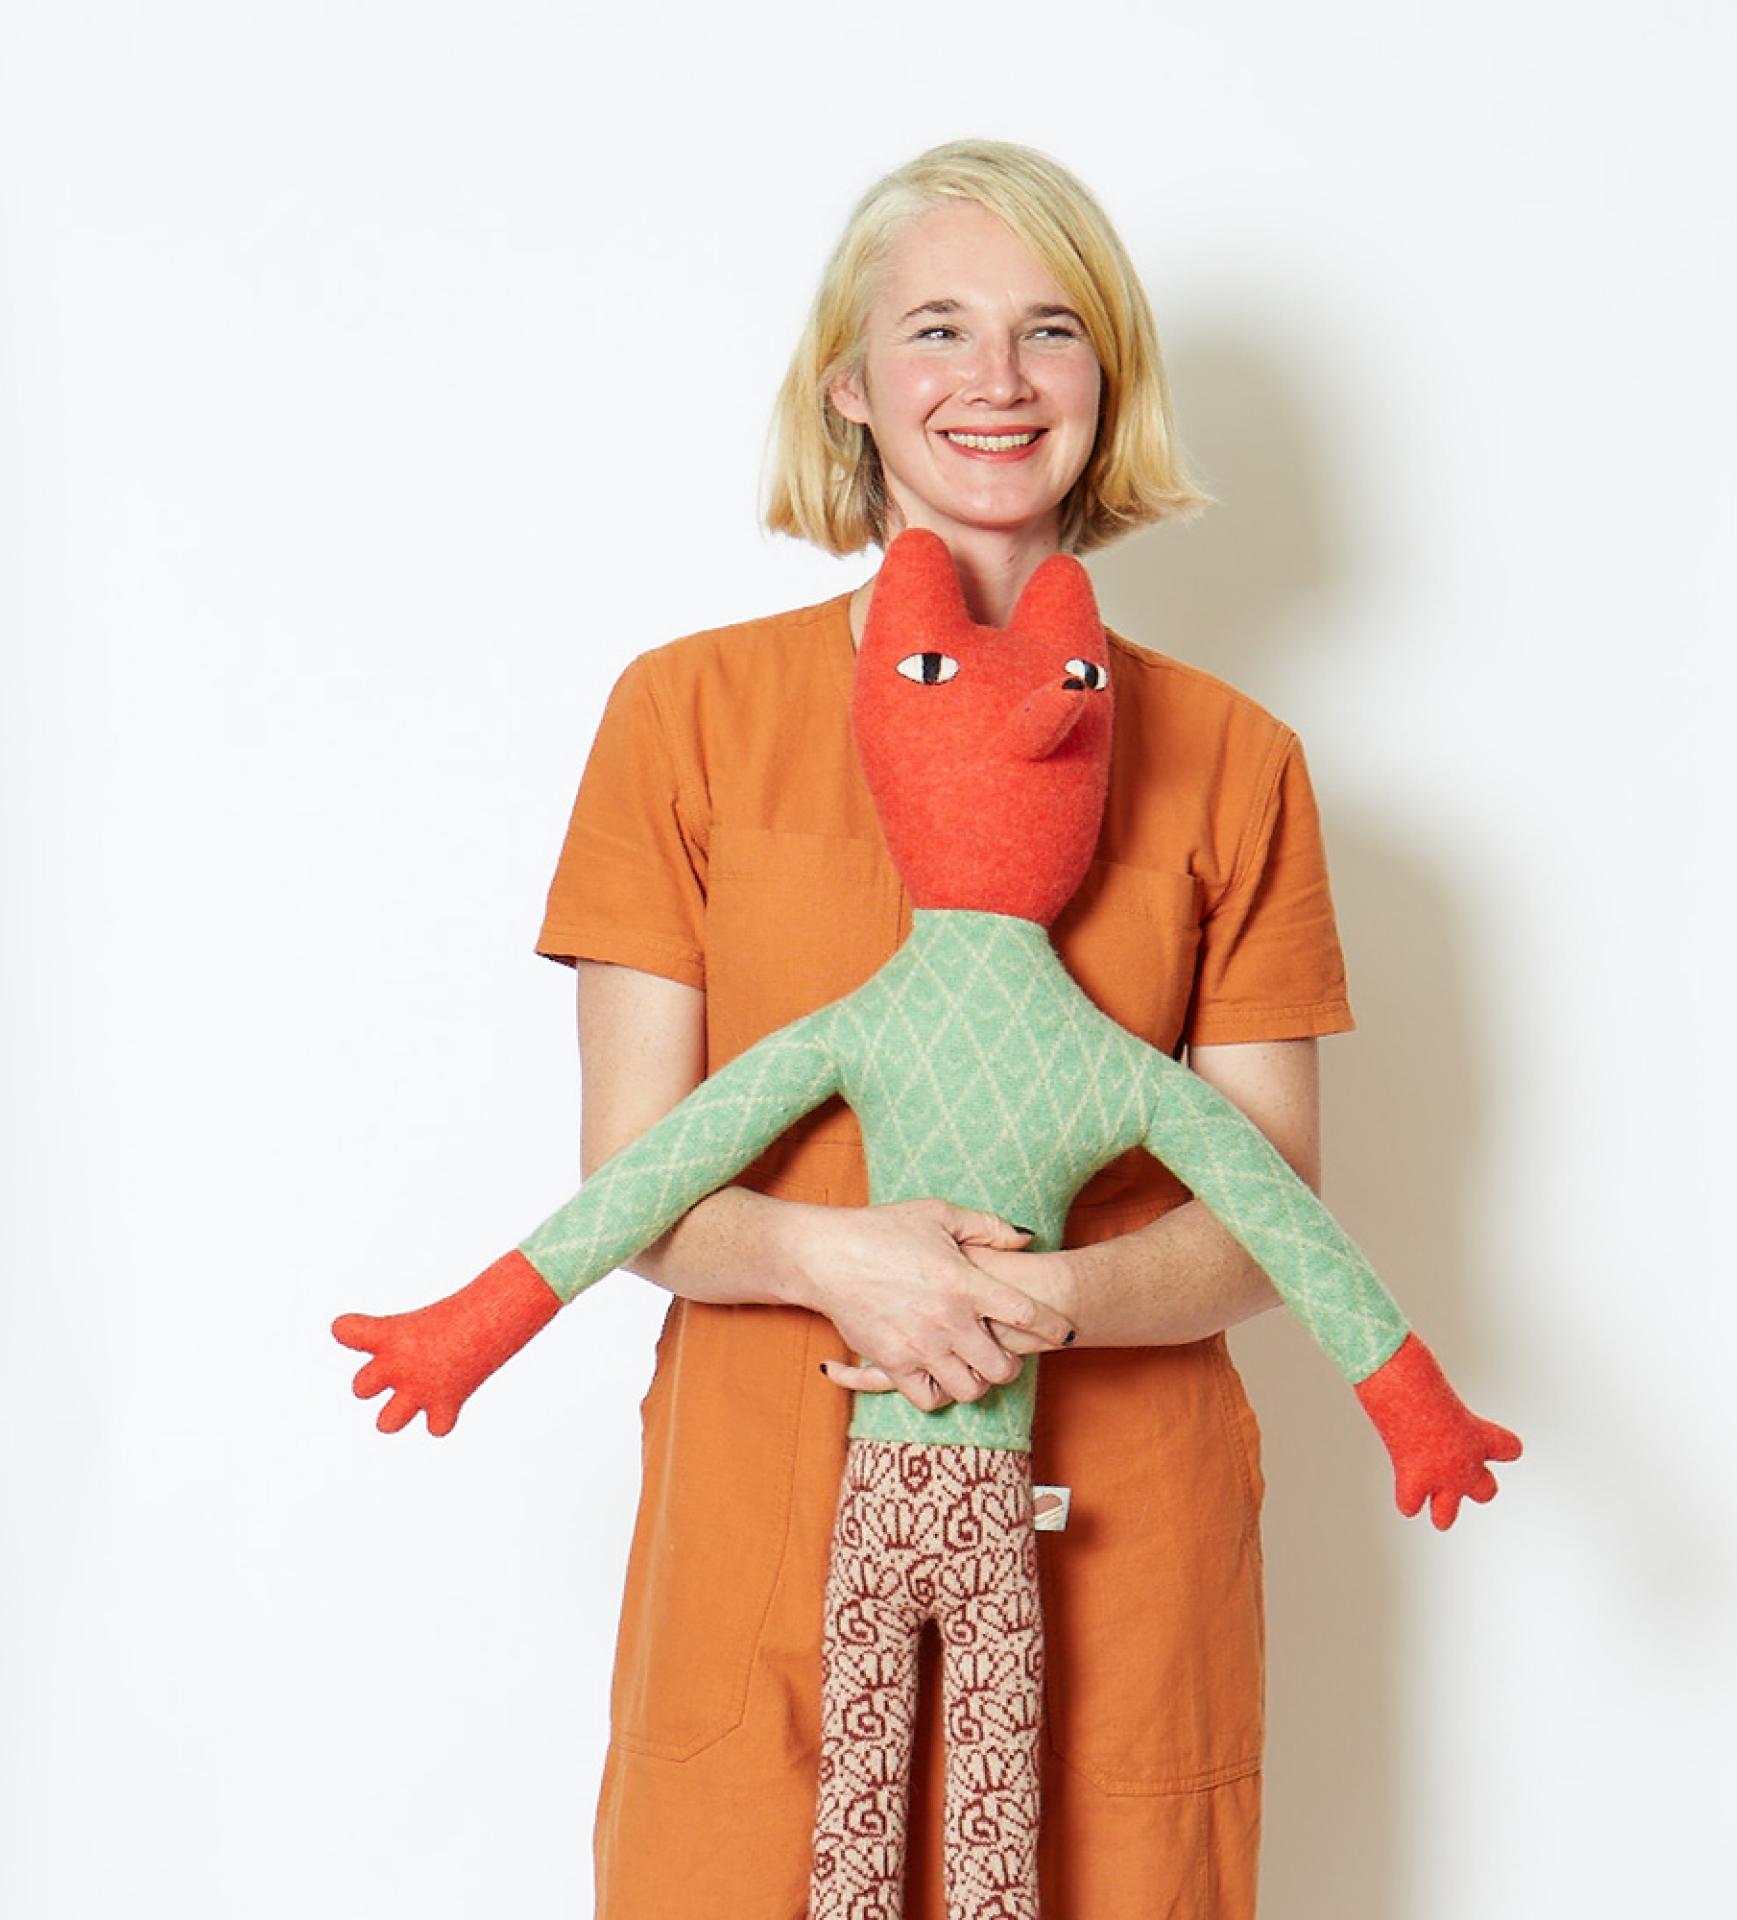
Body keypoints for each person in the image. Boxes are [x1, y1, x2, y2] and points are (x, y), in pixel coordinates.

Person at [538, 139, 1367, 1920]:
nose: (995, 382)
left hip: (1122, 1533)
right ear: (848, 382)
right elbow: (629, 1185)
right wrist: (842, 1259)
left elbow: (1274, 1217)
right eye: (936, 329)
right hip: (766, 1503)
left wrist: (1028, 1301)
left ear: (1109, 383)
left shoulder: (1235, 759)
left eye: (1050, 331)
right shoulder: (687, 717)